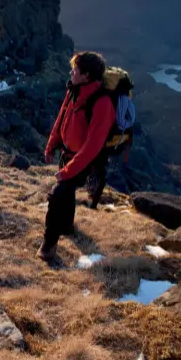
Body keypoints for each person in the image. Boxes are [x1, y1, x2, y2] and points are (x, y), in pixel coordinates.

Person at [37, 51, 115, 261]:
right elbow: (62, 116)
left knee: (56, 195)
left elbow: (92, 146)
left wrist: (68, 171)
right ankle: (68, 226)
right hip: (67, 153)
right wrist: (51, 145)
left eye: (75, 70)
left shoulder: (102, 103)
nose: (71, 72)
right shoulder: (74, 90)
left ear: (87, 75)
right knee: (67, 192)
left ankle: (48, 246)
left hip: (85, 161)